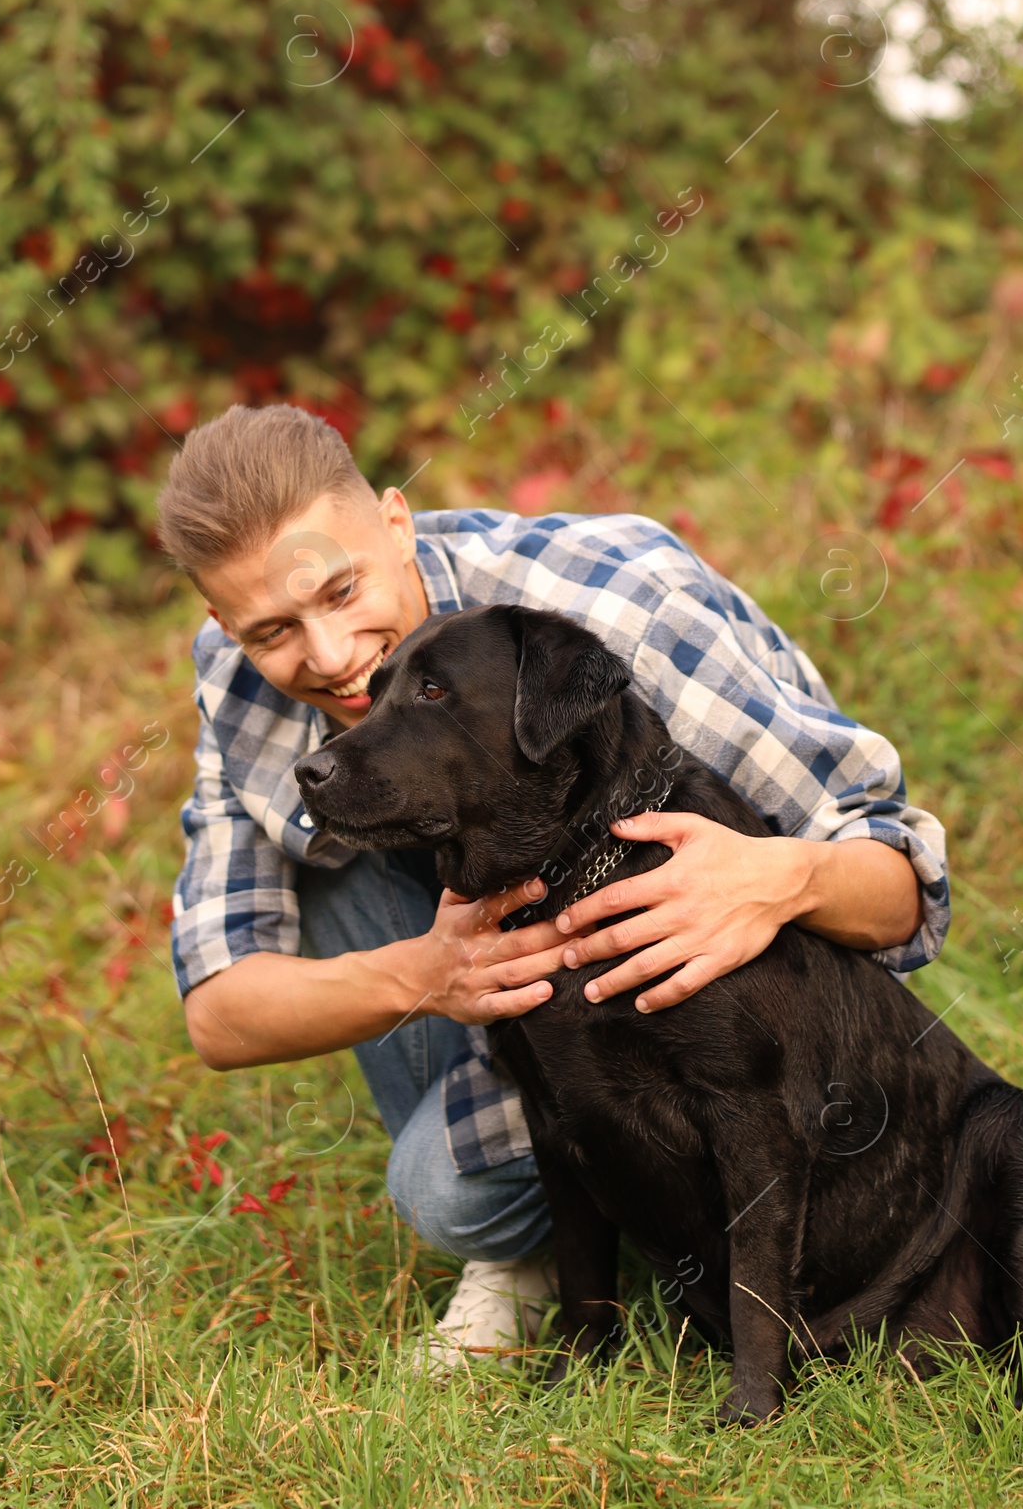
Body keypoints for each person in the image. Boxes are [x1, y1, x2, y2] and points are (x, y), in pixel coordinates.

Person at [161, 404, 950, 1364]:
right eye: (273, 627)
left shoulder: (618, 604)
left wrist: (778, 877)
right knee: (331, 827)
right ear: (221, 622)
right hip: (515, 983)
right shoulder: (239, 681)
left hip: (732, 1017)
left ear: (398, 522)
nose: (329, 658)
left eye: (342, 589)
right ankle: (553, 1236)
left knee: (448, 1188)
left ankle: (698, 1222)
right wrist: (428, 973)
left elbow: (904, 885)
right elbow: (219, 1009)